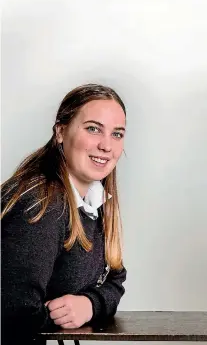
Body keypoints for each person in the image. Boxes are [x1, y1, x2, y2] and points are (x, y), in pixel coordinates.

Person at [1, 84, 128, 345]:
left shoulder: (93, 199)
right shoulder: (40, 204)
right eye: (93, 129)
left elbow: (115, 278)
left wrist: (90, 305)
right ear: (61, 131)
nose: (106, 145)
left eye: (117, 134)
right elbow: (14, 315)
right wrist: (63, 315)